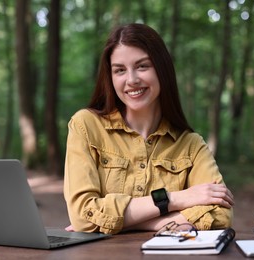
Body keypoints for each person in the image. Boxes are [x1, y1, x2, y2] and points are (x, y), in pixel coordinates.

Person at [64, 23, 234, 235]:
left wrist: (122, 223)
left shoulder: (191, 145)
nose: (132, 80)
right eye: (119, 70)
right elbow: (83, 215)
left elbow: (220, 215)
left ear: (161, 69)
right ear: (110, 77)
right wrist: (175, 199)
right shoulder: (86, 126)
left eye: (142, 66)